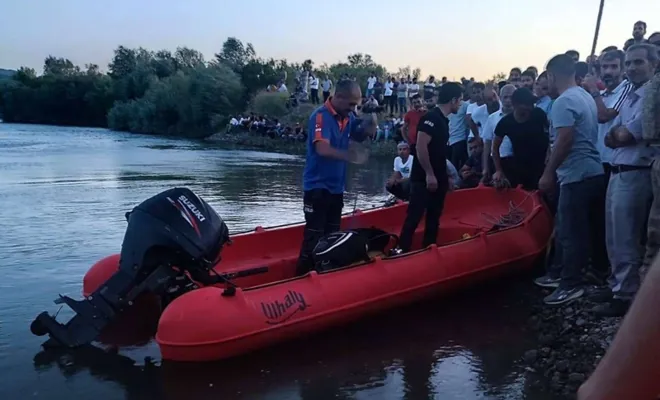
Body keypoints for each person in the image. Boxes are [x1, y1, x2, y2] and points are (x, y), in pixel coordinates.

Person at [595, 43, 659, 317]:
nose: (632, 68)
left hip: (636, 171)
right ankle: (616, 284)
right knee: (613, 234)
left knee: (627, 236)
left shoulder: (652, 95)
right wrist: (617, 136)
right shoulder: (630, 95)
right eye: (629, 63)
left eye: (638, 63)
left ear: (653, 65)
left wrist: (618, 136)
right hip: (618, 168)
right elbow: (612, 135)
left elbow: (627, 135)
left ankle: (626, 294)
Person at [537, 54, 606, 305]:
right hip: (593, 171)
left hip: (576, 174)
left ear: (553, 76)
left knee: (569, 231)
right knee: (582, 228)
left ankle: (570, 283)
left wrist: (547, 173)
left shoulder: (563, 102)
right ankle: (563, 274)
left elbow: (564, 141)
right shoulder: (585, 96)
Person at [296, 80, 377, 275]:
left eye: (356, 105)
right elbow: (322, 148)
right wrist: (350, 155)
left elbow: (362, 132)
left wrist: (372, 121)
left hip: (336, 187)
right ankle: (301, 275)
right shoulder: (321, 116)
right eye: (350, 104)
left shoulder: (346, 116)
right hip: (317, 186)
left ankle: (325, 273)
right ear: (338, 97)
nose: (353, 109)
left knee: (332, 235)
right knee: (314, 235)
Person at [395, 82, 463, 254]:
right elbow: (420, 146)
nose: (460, 104)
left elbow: (439, 152)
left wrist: (446, 175)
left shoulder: (443, 120)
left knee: (434, 216)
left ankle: (428, 249)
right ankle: (401, 249)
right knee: (415, 215)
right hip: (424, 177)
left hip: (438, 176)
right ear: (453, 100)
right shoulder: (431, 117)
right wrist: (430, 174)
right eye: (460, 101)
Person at [492, 88, 549, 190]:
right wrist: (499, 170)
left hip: (543, 166)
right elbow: (495, 148)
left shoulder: (539, 114)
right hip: (521, 169)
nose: (530, 107)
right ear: (515, 105)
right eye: (526, 104)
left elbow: (551, 136)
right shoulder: (506, 123)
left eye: (532, 104)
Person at [481, 84, 516, 184]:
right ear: (500, 98)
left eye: (511, 97)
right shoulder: (492, 118)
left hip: (516, 161)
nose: (508, 100)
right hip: (497, 162)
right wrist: (485, 168)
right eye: (505, 97)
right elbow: (487, 145)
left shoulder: (522, 117)